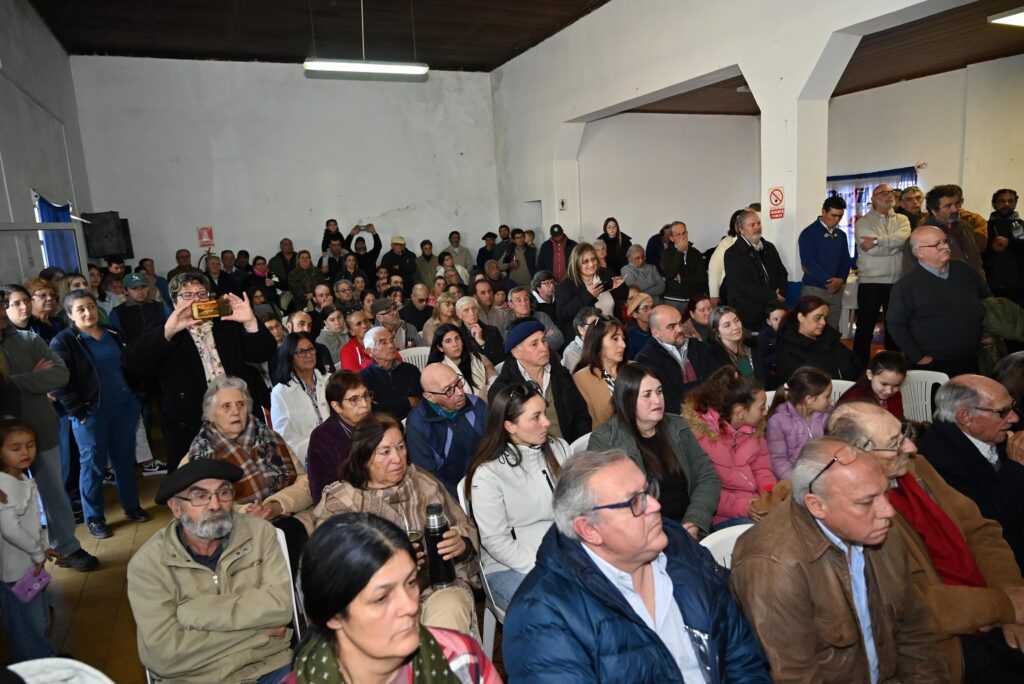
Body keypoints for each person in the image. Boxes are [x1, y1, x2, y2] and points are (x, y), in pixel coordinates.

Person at [503, 449, 770, 682]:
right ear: (589, 529)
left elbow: (741, 655)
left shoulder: (678, 547)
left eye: (648, 490)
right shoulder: (542, 616)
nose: (655, 505)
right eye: (634, 502)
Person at [827, 401, 1024, 683]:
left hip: (989, 607)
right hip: (941, 647)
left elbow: (980, 530)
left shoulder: (915, 469)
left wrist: (1011, 594)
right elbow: (909, 606)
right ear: (856, 456)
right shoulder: (852, 514)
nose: (911, 447)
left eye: (904, 433)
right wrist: (1003, 605)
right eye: (896, 442)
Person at [730, 438, 948, 682]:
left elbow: (915, 635)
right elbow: (796, 677)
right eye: (866, 501)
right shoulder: (775, 566)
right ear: (817, 506)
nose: (888, 511)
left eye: (885, 493)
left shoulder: (878, 528)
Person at [127, 459, 294, 684]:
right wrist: (259, 633)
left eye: (223, 493)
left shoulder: (260, 533)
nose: (215, 505)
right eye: (200, 496)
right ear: (175, 508)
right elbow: (164, 656)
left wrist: (191, 613)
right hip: (194, 679)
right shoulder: (148, 565)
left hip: (268, 667)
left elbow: (281, 609)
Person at [313, 414, 480, 635]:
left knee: (449, 611)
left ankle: (439, 667)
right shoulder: (342, 503)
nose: (397, 458)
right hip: (374, 606)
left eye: (401, 447)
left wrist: (463, 545)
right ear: (363, 457)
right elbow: (331, 571)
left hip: (436, 590)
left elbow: (465, 529)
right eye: (385, 452)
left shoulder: (422, 484)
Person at [288, 513, 500, 684]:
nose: (410, 605)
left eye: (410, 583)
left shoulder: (459, 659)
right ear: (333, 616)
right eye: (381, 598)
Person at [123, 273, 277, 471]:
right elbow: (132, 364)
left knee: (247, 478)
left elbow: (263, 352)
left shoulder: (228, 325)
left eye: (202, 293)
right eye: (187, 295)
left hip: (237, 417)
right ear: (174, 302)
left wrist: (250, 321)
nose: (196, 299)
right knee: (199, 486)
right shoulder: (165, 331)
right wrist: (168, 331)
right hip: (191, 423)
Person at [0, 290, 97, 571]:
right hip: (3, 440)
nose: (13, 308)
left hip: (39, 428)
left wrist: (12, 381)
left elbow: (59, 374)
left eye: (6, 304)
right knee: (12, 501)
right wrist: (34, 378)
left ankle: (68, 546)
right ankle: (27, 562)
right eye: (12, 304)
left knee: (54, 492)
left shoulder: (29, 340)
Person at [50, 290, 149, 539]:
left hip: (124, 407)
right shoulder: (64, 341)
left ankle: (132, 506)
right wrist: (78, 412)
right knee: (92, 466)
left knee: (124, 460)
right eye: (80, 309)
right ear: (70, 314)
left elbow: (131, 365)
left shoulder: (113, 333)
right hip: (90, 414)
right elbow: (60, 382)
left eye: (91, 307)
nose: (88, 313)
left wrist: (137, 396)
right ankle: (94, 517)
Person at [463, 384, 571, 610]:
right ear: (509, 426)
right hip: (511, 565)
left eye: (544, 412)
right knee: (551, 610)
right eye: (536, 417)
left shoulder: (558, 448)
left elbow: (578, 508)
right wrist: (545, 564)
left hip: (564, 552)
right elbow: (496, 542)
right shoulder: (488, 474)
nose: (547, 422)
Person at [588, 363, 722, 537]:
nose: (657, 400)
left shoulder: (678, 426)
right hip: (644, 535)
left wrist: (693, 522)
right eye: (647, 395)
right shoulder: (605, 441)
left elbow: (707, 476)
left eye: (659, 392)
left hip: (690, 526)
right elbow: (607, 502)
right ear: (628, 400)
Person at [919, 374, 1024, 570]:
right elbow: (990, 521)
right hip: (998, 558)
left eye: (1013, 407)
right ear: (965, 416)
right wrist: (1016, 466)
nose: (1014, 417)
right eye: (1002, 412)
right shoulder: (938, 459)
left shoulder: (993, 433)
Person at [888, 225, 991, 376]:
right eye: (937, 244)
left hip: (970, 360)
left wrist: (988, 332)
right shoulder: (906, 286)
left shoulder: (964, 271)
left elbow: (987, 300)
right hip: (932, 365)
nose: (945, 246)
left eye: (945, 241)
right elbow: (895, 324)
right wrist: (919, 357)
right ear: (919, 252)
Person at [683, 366, 774, 529]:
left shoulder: (754, 429)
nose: (765, 413)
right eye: (761, 408)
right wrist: (743, 507)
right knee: (763, 533)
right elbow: (703, 490)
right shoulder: (699, 438)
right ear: (740, 412)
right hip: (724, 515)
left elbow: (762, 469)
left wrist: (769, 495)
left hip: (756, 504)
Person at [0, 419, 59, 662]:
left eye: (30, 445)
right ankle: (36, 668)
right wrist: (37, 552)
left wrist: (44, 546)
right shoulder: (4, 485)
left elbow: (33, 520)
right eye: (15, 448)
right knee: (26, 627)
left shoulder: (21, 477)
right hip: (16, 571)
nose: (25, 452)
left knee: (39, 618)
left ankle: (45, 657)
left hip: (30, 567)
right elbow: (10, 529)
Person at [488, 319, 592, 443]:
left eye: (544, 341)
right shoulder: (502, 390)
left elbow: (581, 416)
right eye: (534, 344)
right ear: (516, 353)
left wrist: (576, 449)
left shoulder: (561, 375)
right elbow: (504, 437)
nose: (544, 348)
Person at [405, 363, 487, 497]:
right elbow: (429, 479)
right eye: (449, 390)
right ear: (430, 397)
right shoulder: (418, 426)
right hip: (451, 493)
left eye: (458, 382)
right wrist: (465, 498)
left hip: (488, 480)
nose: (460, 392)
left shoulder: (476, 405)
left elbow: (496, 445)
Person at [853, 184, 912, 365]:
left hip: (896, 281)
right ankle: (859, 366)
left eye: (891, 192)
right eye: (883, 193)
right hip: (871, 281)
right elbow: (870, 251)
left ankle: (892, 364)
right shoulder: (863, 222)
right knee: (865, 326)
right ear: (873, 198)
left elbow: (905, 239)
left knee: (894, 326)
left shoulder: (903, 219)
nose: (889, 195)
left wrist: (878, 240)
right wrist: (894, 246)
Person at [306, 371, 371, 505]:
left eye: (366, 395)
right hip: (347, 505)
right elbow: (321, 493)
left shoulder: (378, 422)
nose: (365, 404)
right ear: (337, 406)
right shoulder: (322, 438)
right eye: (354, 400)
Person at [722, 209, 788, 331]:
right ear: (741, 230)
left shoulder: (769, 247)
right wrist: (772, 295)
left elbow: (782, 272)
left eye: (758, 223)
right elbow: (741, 285)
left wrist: (781, 292)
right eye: (752, 225)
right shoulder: (732, 254)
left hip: (773, 309)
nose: (757, 227)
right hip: (749, 313)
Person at [904, 184, 986, 281]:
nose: (955, 209)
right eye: (948, 206)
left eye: (957, 203)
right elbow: (911, 274)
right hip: (944, 292)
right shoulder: (921, 237)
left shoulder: (965, 226)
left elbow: (976, 261)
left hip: (974, 288)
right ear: (934, 210)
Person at [270, 333, 330, 464]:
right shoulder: (280, 392)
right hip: (309, 458)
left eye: (310, 349)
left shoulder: (330, 380)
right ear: (290, 356)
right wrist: (317, 447)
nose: (308, 354)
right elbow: (284, 436)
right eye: (301, 352)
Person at [766, 365, 833, 479]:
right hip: (794, 479)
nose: (830, 400)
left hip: (824, 474)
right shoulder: (778, 422)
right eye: (827, 396)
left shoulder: (828, 414)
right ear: (809, 400)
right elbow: (778, 461)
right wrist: (797, 482)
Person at [775, 295, 861, 383]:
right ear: (801, 317)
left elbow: (856, 365)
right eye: (818, 318)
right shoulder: (788, 348)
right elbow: (798, 385)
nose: (823, 322)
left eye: (825, 318)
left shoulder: (830, 339)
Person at [798, 195, 853, 330]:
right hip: (815, 288)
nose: (837, 220)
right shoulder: (808, 233)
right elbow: (808, 263)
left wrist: (841, 279)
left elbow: (845, 260)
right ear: (823, 212)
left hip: (837, 289)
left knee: (831, 329)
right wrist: (829, 281)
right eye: (833, 215)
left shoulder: (841, 235)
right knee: (812, 329)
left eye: (840, 216)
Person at [554, 241, 627, 342]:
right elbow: (561, 315)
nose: (591, 264)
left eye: (593, 259)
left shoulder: (605, 273)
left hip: (611, 335)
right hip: (588, 341)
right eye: (585, 261)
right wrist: (588, 296)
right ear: (576, 264)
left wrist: (619, 287)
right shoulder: (567, 285)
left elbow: (623, 297)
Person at [635, 304, 700, 413]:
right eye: (671, 326)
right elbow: (667, 402)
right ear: (656, 333)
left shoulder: (695, 346)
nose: (679, 329)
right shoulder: (646, 360)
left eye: (680, 323)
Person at [572, 315, 627, 428]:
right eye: (615, 339)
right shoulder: (581, 378)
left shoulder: (634, 368)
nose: (623, 345)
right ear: (597, 342)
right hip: (606, 442)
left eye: (623, 339)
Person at [359, 326, 421, 421]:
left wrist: (386, 406)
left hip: (416, 421)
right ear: (369, 351)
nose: (391, 345)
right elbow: (373, 413)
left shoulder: (411, 370)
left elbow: (420, 402)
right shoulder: (363, 378)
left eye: (392, 340)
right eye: (383, 342)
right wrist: (408, 402)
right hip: (384, 428)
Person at [691, 305, 764, 383]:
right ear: (717, 332)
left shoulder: (752, 347)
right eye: (727, 325)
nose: (735, 327)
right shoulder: (712, 358)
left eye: (736, 320)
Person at [426, 323, 496, 402]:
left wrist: (485, 392)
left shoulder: (478, 358)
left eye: (457, 338)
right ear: (440, 348)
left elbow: (494, 379)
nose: (455, 344)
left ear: (462, 341)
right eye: (448, 341)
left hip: (487, 403)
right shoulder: (437, 370)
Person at [837, 350, 907, 419]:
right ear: (870, 375)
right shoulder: (855, 399)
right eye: (884, 384)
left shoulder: (895, 395)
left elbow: (899, 420)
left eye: (896, 385)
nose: (889, 391)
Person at [984, 188, 1024, 305]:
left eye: (1010, 201)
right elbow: (977, 251)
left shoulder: (1022, 225)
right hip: (991, 285)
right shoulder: (984, 226)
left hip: (1018, 287)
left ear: (1015, 203)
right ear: (994, 204)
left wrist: (1010, 243)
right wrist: (992, 249)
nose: (1006, 204)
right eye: (1002, 201)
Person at [661, 220, 708, 311]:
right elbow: (670, 274)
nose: (682, 237)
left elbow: (702, 278)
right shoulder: (666, 253)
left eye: (684, 233)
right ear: (671, 238)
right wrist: (680, 252)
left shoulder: (695, 253)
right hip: (673, 299)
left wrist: (682, 279)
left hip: (693, 299)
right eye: (678, 234)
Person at [110, 272, 168, 343]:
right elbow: (118, 340)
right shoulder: (117, 312)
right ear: (125, 290)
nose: (140, 291)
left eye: (143, 287)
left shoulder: (161, 307)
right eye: (134, 288)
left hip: (163, 350)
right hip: (134, 352)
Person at [506, 286, 563, 351]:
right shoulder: (508, 323)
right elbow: (513, 350)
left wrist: (531, 345)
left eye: (526, 299)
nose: (524, 303)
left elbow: (558, 339)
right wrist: (544, 338)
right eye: (519, 301)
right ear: (511, 304)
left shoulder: (541, 316)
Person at [455, 296, 504, 366]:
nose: (472, 313)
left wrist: (481, 341)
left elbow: (500, 359)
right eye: (466, 310)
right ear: (459, 315)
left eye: (474, 308)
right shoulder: (456, 334)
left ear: (478, 310)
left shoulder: (492, 331)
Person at [754, 302, 787, 391]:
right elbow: (762, 359)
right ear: (769, 321)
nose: (780, 322)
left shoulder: (791, 333)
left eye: (783, 318)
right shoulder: (763, 336)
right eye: (776, 319)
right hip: (772, 376)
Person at [561, 306, 599, 372]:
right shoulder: (572, 352)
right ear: (581, 329)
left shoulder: (603, 343)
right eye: (593, 325)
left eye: (600, 324)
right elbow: (581, 380)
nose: (599, 328)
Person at [625, 291, 653, 359]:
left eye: (652, 307)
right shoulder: (629, 335)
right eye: (645, 308)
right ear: (635, 314)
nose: (651, 311)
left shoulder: (657, 327)